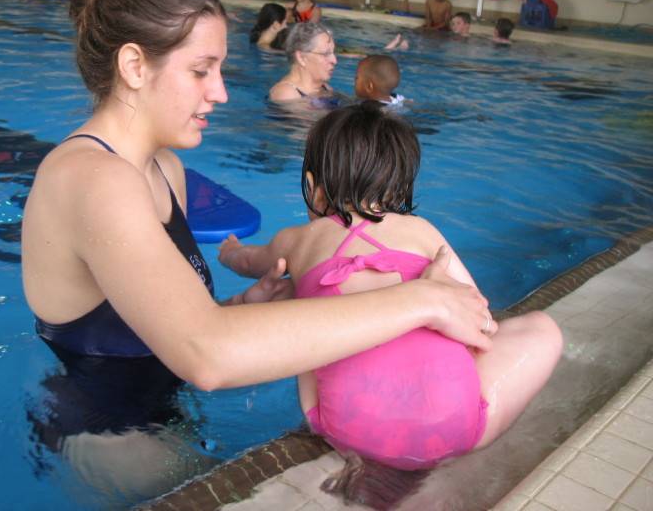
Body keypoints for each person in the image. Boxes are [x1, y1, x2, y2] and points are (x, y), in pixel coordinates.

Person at [22, 0, 491, 499]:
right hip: (105, 432)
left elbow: (163, 326)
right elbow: (207, 355)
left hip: (166, 407)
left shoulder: (164, 169)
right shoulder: (91, 179)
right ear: (133, 66)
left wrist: (242, 310)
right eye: (201, 70)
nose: (220, 91)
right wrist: (426, 301)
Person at [219, 102, 562, 473]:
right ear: (398, 186)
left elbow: (247, 264)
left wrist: (231, 250)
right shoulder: (422, 231)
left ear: (315, 190)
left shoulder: (295, 240)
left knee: (300, 305)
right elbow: (478, 317)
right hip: (456, 431)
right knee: (542, 329)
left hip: (345, 430)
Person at [269, 22, 338, 105]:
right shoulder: (286, 94)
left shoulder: (326, 88)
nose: (334, 60)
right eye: (326, 54)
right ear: (301, 58)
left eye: (333, 53)